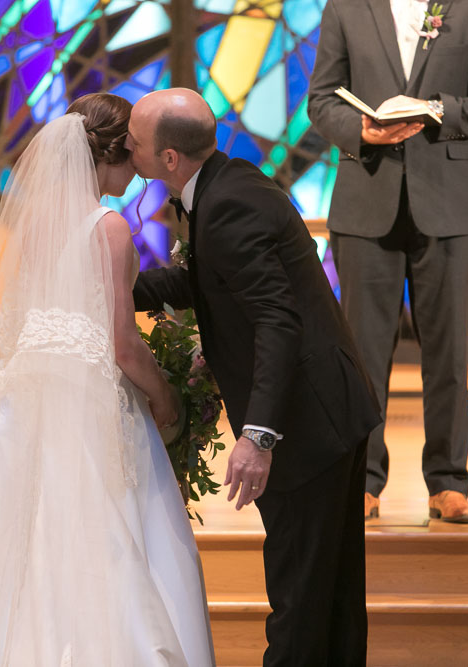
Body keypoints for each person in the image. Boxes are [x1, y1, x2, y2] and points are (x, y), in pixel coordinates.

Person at [0, 93, 215, 666]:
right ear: (112, 156)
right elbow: (120, 342)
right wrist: (166, 398)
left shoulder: (35, 219)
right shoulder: (110, 228)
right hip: (90, 400)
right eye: (133, 156)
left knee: (6, 543)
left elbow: (26, 317)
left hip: (26, 398)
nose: (138, 171)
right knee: (105, 543)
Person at [126, 88, 381, 666]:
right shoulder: (228, 181)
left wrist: (259, 435)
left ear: (170, 159)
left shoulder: (225, 207)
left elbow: (276, 319)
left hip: (305, 424)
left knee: (300, 598)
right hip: (330, 409)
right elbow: (208, 284)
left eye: (136, 143)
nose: (127, 150)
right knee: (330, 595)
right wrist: (116, 290)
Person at [307, 0, 468, 522]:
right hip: (365, 202)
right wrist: (362, 130)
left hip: (448, 205)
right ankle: (363, 478)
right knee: (361, 353)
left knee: (448, 354)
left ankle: (448, 482)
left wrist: (440, 110)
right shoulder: (345, 8)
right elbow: (320, 101)